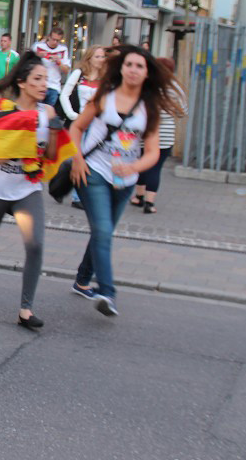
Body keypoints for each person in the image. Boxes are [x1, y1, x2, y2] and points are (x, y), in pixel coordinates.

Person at [69, 45, 185, 316]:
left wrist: (133, 166)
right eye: (129, 64)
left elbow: (154, 152)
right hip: (94, 172)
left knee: (103, 231)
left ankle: (82, 279)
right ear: (121, 68)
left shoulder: (149, 108)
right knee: (102, 231)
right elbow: (76, 127)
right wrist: (77, 159)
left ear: (147, 73)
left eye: (139, 66)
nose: (133, 70)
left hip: (126, 181)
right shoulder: (104, 97)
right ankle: (107, 292)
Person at [0, 51, 65, 330]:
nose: (44, 84)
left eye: (47, 79)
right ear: (22, 82)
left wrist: (54, 132)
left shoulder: (49, 112)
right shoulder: (0, 108)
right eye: (38, 79)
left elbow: (52, 155)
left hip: (27, 190)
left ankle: (26, 310)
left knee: (36, 245)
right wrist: (27, 134)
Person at [131, 57, 185, 214]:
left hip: (145, 130)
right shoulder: (175, 88)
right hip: (166, 133)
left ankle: (139, 196)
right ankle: (149, 202)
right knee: (156, 168)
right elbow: (183, 112)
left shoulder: (147, 85)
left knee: (142, 163)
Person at [58, 45, 108, 210]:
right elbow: (64, 94)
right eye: (98, 56)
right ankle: (76, 196)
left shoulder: (106, 77)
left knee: (92, 160)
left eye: (102, 56)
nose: (101, 59)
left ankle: (83, 195)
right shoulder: (79, 74)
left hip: (98, 123)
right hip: (82, 123)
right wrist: (73, 115)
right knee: (79, 158)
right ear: (89, 58)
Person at [32, 26, 70, 106]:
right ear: (49, 37)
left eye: (58, 40)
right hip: (39, 84)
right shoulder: (38, 46)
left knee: (49, 112)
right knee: (36, 110)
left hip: (54, 86)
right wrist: (38, 56)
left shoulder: (63, 49)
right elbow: (29, 62)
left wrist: (59, 62)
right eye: (53, 39)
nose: (55, 42)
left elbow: (66, 70)